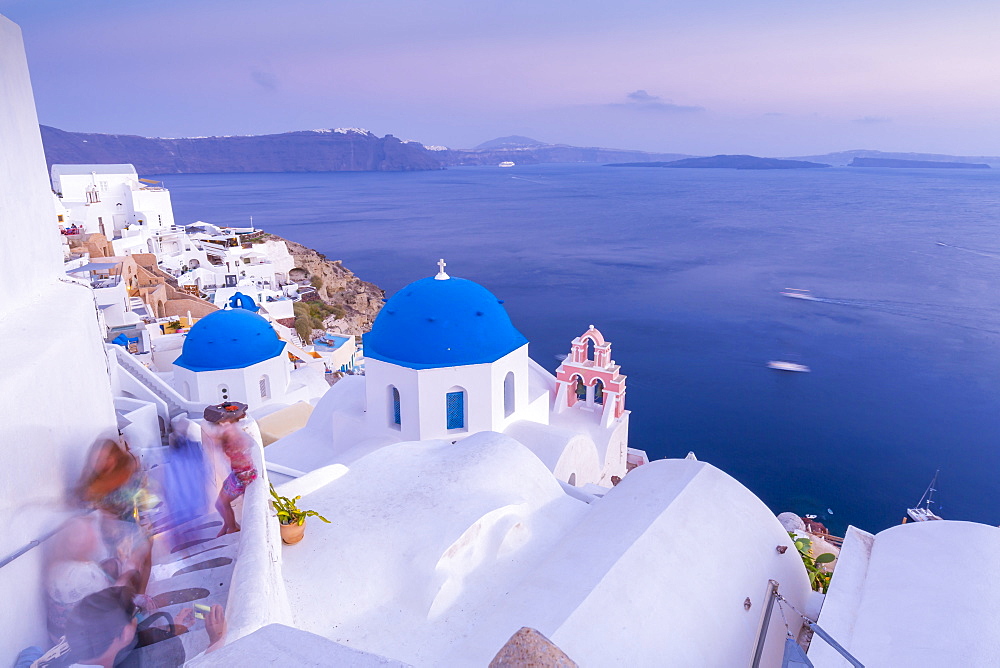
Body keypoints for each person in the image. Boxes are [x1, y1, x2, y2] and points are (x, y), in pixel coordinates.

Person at [29, 586, 226, 667]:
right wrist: (216, 643)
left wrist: (176, 628)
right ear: (124, 633)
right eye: (136, 613)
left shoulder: (73, 643)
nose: (139, 616)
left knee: (31, 653)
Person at [202, 402, 256, 537]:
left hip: (242, 475)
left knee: (221, 504)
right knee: (221, 503)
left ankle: (232, 527)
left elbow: (219, 441)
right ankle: (228, 524)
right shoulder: (234, 430)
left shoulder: (228, 433)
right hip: (241, 473)